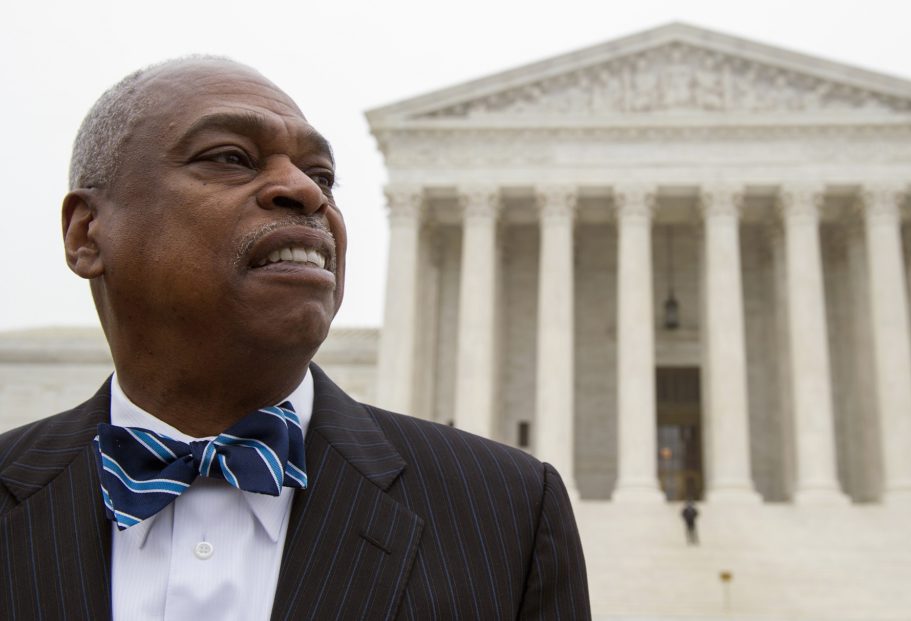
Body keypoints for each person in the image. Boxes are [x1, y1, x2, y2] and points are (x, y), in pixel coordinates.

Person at [0, 57, 590, 620]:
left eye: (322, 175)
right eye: (230, 157)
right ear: (86, 233)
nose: (305, 191)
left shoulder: (506, 512)